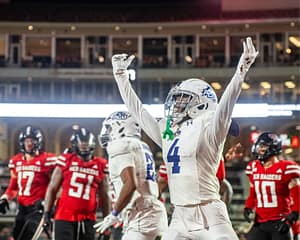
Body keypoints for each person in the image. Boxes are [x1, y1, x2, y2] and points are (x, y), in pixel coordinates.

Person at [110, 37, 257, 239]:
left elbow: (226, 105)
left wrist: (241, 70)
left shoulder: (209, 127)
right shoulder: (169, 130)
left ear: (202, 103)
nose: (177, 104)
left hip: (210, 214)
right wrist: (121, 76)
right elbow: (139, 112)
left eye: (184, 99)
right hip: (180, 215)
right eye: (177, 98)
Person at [94, 111, 168, 240]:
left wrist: (114, 213)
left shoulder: (120, 145)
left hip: (141, 214)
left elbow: (130, 184)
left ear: (120, 127)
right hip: (154, 211)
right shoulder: (142, 146)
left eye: (110, 128)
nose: (106, 132)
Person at [43, 127, 109, 240]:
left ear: (92, 144)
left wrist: (107, 220)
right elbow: (52, 188)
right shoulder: (66, 160)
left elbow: (105, 195)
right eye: (81, 142)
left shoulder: (100, 164)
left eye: (86, 142)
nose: (84, 145)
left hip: (88, 219)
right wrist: (47, 213)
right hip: (64, 216)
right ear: (74, 144)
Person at [0, 125, 57, 240]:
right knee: (17, 235)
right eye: (26, 140)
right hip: (22, 207)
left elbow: (56, 185)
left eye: (32, 140)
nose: (29, 143)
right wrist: (5, 197)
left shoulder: (47, 160)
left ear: (38, 142)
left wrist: (49, 203)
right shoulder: (16, 161)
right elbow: (13, 187)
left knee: (28, 235)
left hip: (39, 207)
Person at [244, 132, 300, 240]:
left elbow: (297, 196)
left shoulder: (286, 168)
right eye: (259, 145)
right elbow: (253, 193)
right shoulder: (253, 167)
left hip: (280, 221)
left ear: (274, 147)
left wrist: (293, 215)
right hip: (260, 222)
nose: (259, 149)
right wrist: (248, 206)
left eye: (263, 145)